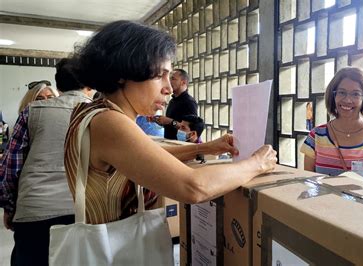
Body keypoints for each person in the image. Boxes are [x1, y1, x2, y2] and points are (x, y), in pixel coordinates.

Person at [65, 20, 276, 228]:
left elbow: (148, 156)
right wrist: (257, 163)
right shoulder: (108, 122)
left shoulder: (92, 111)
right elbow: (193, 187)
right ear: (123, 73)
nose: (168, 88)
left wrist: (204, 148)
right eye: (160, 75)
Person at [0, 58, 96, 266]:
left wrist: (9, 206)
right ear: (90, 84)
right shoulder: (102, 114)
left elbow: (11, 166)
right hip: (85, 210)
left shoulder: (32, 111)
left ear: (58, 86)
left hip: (35, 210)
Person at [300, 67, 363, 190]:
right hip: (325, 208)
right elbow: (310, 180)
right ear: (333, 95)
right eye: (342, 92)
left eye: (356, 94)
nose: (348, 100)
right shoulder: (316, 136)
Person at [156, 68, 198, 140]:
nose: (169, 82)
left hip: (180, 146)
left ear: (183, 82)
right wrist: (161, 121)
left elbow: (189, 130)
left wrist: (169, 121)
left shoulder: (189, 102)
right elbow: (172, 124)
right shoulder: (172, 101)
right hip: (169, 143)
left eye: (173, 79)